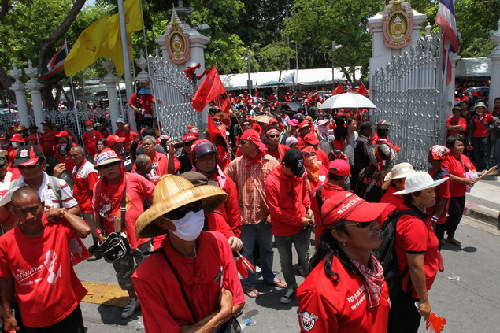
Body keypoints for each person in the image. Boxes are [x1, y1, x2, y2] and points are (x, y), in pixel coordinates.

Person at [132, 174, 245, 332]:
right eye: (179, 212)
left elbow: (238, 300)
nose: (191, 215)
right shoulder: (146, 277)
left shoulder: (218, 242)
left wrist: (192, 329)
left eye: (196, 206)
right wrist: (221, 314)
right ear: (162, 222)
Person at [296, 191, 390, 332]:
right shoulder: (321, 292)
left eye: (374, 218)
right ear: (340, 235)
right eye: (364, 223)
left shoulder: (373, 266)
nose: (376, 225)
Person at [0, 187, 91, 332]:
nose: (30, 216)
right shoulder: (5, 242)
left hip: (67, 311)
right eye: (23, 212)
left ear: (42, 205)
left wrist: (63, 212)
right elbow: (5, 280)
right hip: (31, 318)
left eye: (34, 209)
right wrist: (7, 314)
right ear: (14, 211)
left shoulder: (57, 226)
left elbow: (85, 230)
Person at [92, 150, 155, 319]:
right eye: (105, 166)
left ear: (120, 164)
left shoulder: (135, 179)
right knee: (124, 273)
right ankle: (133, 299)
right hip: (116, 241)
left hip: (140, 235)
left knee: (147, 271)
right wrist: (98, 233)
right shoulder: (98, 186)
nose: (110, 168)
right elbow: (96, 212)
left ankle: (150, 300)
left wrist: (155, 221)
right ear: (101, 170)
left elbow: (155, 195)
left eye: (113, 164)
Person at [225, 129, 286, 298]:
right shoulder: (236, 164)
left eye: (242, 144)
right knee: (247, 252)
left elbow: (280, 188)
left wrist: (274, 212)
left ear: (251, 145)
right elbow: (225, 183)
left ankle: (269, 276)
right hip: (244, 217)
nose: (240, 147)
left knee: (267, 249)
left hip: (265, 216)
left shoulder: (271, 162)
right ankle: (248, 283)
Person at [389, 172, 446, 333]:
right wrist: (424, 301)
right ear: (414, 195)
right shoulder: (414, 223)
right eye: (429, 192)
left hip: (403, 289)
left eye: (434, 190)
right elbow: (415, 266)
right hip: (408, 293)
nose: (435, 196)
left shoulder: (411, 212)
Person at [265, 149, 312, 304]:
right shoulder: (271, 181)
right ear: (284, 165)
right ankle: (291, 287)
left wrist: (308, 206)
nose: (298, 174)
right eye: (294, 171)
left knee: (306, 260)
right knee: (286, 263)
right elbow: (276, 212)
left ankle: (312, 289)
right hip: (283, 230)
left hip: (302, 228)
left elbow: (304, 192)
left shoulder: (299, 174)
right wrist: (299, 221)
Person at [190, 139, 242, 239]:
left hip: (222, 235)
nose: (209, 162)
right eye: (204, 159)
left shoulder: (225, 182)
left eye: (211, 158)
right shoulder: (188, 182)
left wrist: (235, 237)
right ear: (195, 160)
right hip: (196, 236)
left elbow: (234, 213)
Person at [11, 145, 80, 215]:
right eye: (21, 166)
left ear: (43, 164)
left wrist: (59, 213)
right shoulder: (13, 187)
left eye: (30, 166)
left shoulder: (58, 185)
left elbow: (75, 208)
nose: (25, 170)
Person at [442, 136, 476, 247]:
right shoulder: (447, 158)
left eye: (462, 145)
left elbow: (472, 168)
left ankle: (450, 236)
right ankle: (436, 229)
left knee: (458, 215)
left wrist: (473, 176)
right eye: (459, 145)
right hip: (450, 192)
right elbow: (446, 174)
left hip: (461, 192)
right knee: (455, 215)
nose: (462, 147)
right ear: (451, 147)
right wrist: (463, 179)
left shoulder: (464, 157)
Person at [70, 146, 100, 259]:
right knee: (91, 228)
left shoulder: (89, 168)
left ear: (82, 155)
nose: (72, 158)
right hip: (81, 205)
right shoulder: (75, 168)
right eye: (71, 155)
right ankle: (96, 245)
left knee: (94, 228)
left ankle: (100, 249)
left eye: (75, 155)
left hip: (88, 205)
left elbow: (94, 189)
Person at [311, 159, 351, 244]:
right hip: (335, 238)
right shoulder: (344, 197)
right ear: (344, 179)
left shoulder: (316, 191)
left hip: (320, 236)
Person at [469, 101, 493, 171]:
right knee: (476, 151)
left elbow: (496, 120)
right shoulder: (474, 117)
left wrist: (491, 127)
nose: (479, 110)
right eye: (478, 108)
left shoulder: (488, 116)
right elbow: (471, 128)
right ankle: (478, 166)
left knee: (486, 151)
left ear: (483, 109)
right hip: (475, 136)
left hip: (485, 135)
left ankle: (486, 167)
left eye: (481, 108)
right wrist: (469, 139)